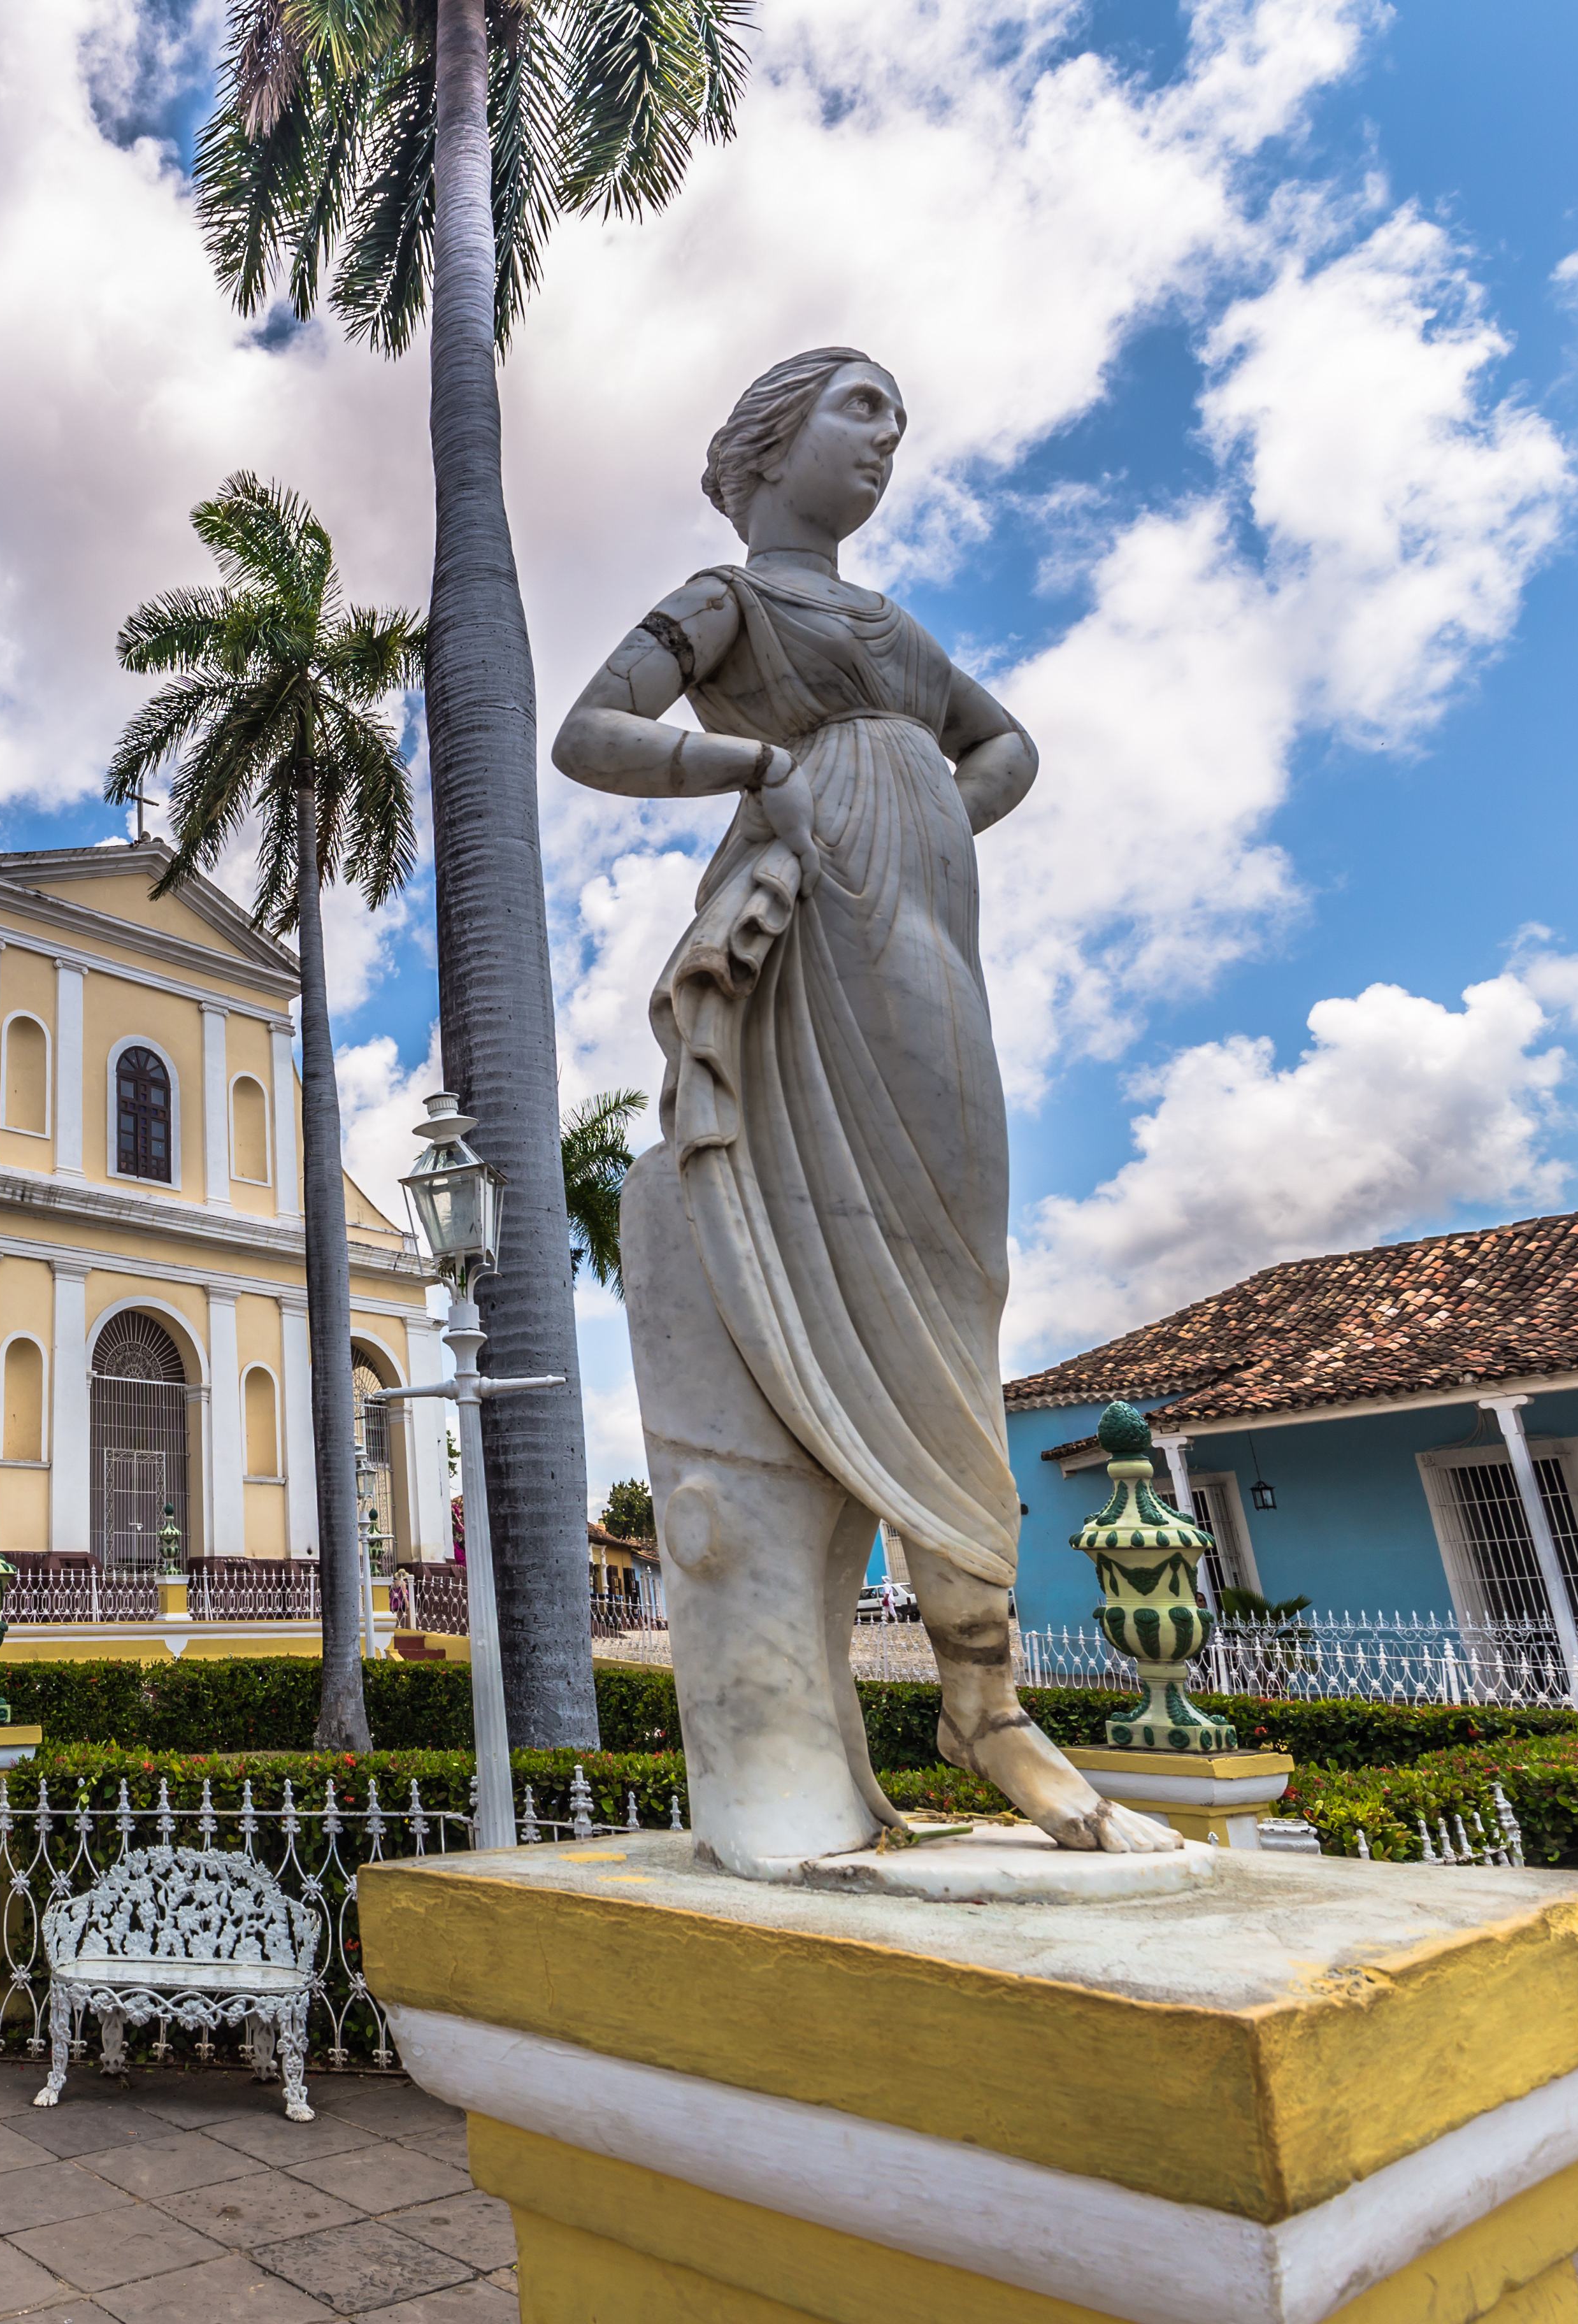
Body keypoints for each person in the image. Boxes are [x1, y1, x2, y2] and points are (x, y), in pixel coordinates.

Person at [549, 347, 1175, 1874]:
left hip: (916, 933)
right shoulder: (728, 600)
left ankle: (978, 1691)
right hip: (804, 933)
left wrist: (908, 816)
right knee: (850, 1252)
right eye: (861, 411)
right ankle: (975, 1691)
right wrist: (772, 771)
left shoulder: (895, 629)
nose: (888, 442)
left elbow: (1004, 746)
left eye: (900, 420)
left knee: (961, 1267)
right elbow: (587, 731)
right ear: (771, 442)